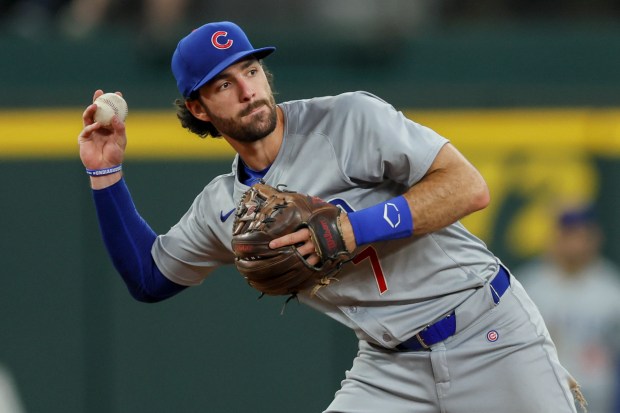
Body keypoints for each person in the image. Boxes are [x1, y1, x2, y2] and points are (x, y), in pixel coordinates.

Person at [77, 21, 585, 413]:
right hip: (388, 367)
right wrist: (106, 174)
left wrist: (350, 229)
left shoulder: (347, 119)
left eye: (251, 70)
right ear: (200, 108)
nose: (248, 89)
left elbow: (468, 187)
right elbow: (149, 277)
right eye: (224, 83)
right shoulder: (222, 207)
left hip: (486, 331)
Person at [518, 204, 620, 413]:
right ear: (556, 238)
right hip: (543, 395)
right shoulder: (527, 287)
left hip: (598, 397)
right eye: (569, 235)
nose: (575, 244)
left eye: (582, 236)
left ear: (595, 239)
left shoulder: (612, 290)